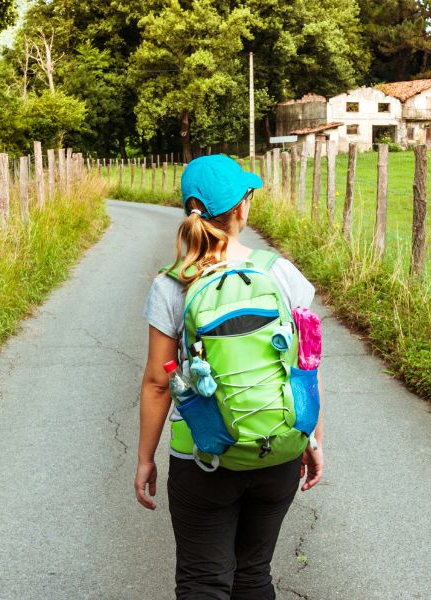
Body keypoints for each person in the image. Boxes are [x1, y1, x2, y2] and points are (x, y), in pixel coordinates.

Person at [135, 154, 324, 599]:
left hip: (203, 455)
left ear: (190, 209)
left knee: (203, 582)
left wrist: (145, 458)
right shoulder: (279, 273)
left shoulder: (172, 284)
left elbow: (159, 383)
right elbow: (305, 363)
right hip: (277, 448)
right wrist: (311, 437)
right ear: (242, 206)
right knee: (254, 575)